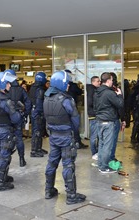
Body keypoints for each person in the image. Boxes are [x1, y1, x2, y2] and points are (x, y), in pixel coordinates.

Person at [43, 70, 86, 205]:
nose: (68, 86)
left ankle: (48, 190)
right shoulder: (66, 100)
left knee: (52, 163)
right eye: (66, 83)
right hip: (66, 136)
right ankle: (71, 195)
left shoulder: (47, 98)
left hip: (53, 136)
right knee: (68, 165)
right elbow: (75, 121)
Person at [0, 71, 22, 192]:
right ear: (2, 84)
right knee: (5, 156)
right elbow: (15, 119)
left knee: (1, 153)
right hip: (5, 130)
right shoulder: (5, 101)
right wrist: (18, 112)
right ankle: (1, 183)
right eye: (7, 83)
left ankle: (3, 177)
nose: (10, 85)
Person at [94, 72, 124, 173]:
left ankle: (101, 164)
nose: (112, 82)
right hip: (108, 121)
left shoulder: (97, 92)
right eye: (111, 80)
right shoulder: (109, 93)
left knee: (102, 144)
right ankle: (104, 167)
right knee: (107, 145)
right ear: (108, 81)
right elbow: (120, 104)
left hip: (99, 121)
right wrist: (120, 95)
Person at [5, 69, 31, 167]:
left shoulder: (5, 89)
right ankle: (21, 159)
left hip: (7, 117)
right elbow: (28, 102)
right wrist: (25, 113)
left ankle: (6, 159)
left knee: (6, 138)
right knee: (19, 138)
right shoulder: (21, 89)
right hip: (18, 116)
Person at [65, 69, 88, 149]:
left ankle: (70, 142)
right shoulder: (73, 85)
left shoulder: (59, 86)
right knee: (75, 125)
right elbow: (79, 92)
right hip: (72, 106)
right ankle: (77, 141)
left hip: (64, 108)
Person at [29, 72, 48, 157]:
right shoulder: (40, 89)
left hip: (34, 112)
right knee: (37, 131)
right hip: (38, 113)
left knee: (38, 131)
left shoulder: (33, 87)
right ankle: (34, 150)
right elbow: (39, 103)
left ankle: (38, 148)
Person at [86, 76, 100, 160]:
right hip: (93, 115)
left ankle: (96, 152)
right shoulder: (92, 90)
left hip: (94, 114)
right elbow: (90, 102)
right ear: (93, 82)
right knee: (94, 136)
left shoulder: (94, 90)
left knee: (96, 135)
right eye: (98, 81)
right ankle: (94, 153)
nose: (99, 83)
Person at [130, 76, 139, 144]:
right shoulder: (135, 89)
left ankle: (138, 137)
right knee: (137, 123)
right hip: (136, 108)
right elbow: (131, 98)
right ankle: (133, 137)